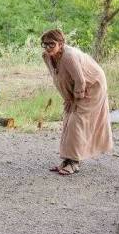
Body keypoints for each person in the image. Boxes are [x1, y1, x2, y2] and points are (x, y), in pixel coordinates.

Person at [41, 28, 113, 175]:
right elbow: (58, 78)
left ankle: (74, 162)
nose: (48, 47)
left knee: (77, 121)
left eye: (51, 44)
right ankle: (67, 159)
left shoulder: (69, 56)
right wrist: (68, 98)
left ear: (61, 44)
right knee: (68, 120)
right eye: (45, 44)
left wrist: (75, 99)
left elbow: (80, 81)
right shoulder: (46, 56)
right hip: (76, 88)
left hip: (93, 86)